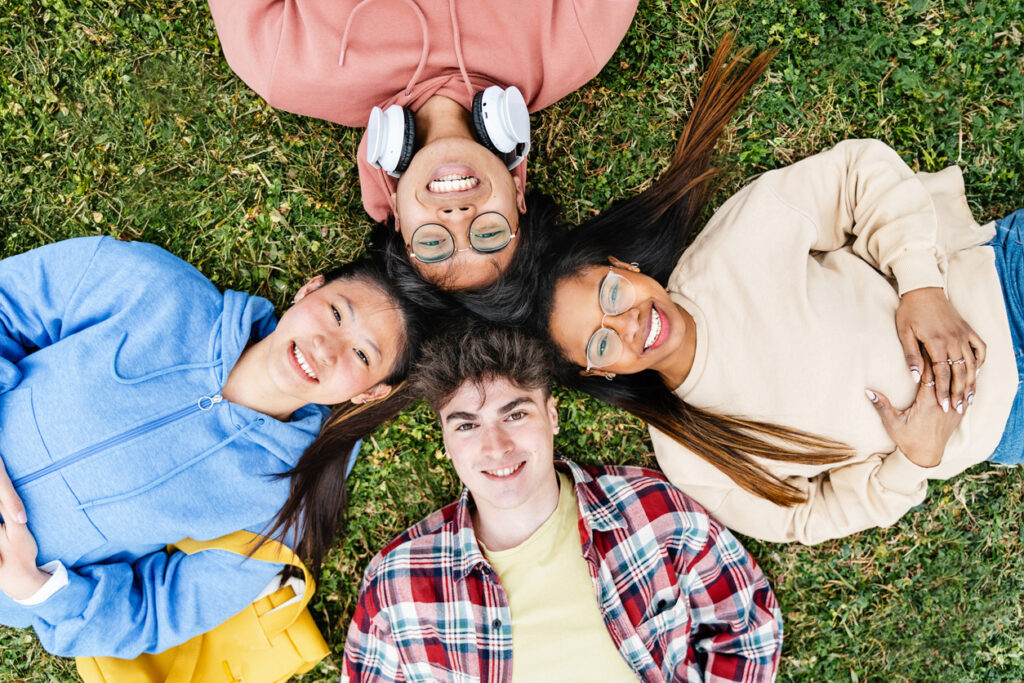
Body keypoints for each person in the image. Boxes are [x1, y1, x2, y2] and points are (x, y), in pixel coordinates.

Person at [539, 40, 1021, 545]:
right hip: (1005, 421)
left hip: (1003, 281)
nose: (628, 323)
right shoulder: (691, 457)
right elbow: (807, 519)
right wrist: (915, 459)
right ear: (603, 371)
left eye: (611, 295)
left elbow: (857, 174)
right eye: (601, 343)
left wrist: (921, 286)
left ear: (623, 267)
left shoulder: (726, 254)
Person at [0, 235, 420, 657]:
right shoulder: (155, 288)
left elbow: (165, 612)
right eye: (335, 313)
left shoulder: (288, 502)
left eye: (363, 356)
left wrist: (39, 590)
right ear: (309, 288)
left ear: (372, 394)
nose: (327, 348)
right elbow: (9, 302)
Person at [342, 321, 783, 682]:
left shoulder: (651, 510)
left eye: (515, 415)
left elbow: (748, 627)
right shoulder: (397, 583)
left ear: (551, 416)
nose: (496, 448)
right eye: (466, 426)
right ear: (446, 441)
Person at [206, 0, 638, 295]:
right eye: (488, 234)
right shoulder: (575, 46)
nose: (458, 217)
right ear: (519, 199)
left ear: (396, 213)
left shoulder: (286, 69)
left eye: (433, 243)